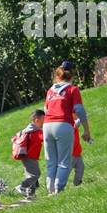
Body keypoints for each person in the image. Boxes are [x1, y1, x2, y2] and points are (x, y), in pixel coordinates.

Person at [42, 61, 92, 195]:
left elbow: (46, 109)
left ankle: (50, 190)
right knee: (64, 161)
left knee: (51, 161)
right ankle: (59, 190)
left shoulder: (50, 91)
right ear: (72, 76)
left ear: (58, 75)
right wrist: (86, 129)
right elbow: (79, 110)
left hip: (47, 125)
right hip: (63, 124)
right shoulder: (72, 89)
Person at [13, 110, 45, 198]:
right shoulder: (35, 131)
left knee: (31, 175)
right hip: (30, 156)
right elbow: (44, 138)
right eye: (43, 119)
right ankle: (22, 186)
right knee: (35, 175)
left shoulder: (27, 130)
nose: (45, 121)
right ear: (36, 120)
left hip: (25, 155)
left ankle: (31, 195)